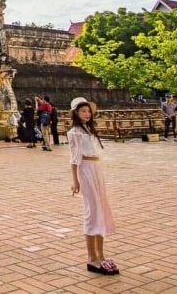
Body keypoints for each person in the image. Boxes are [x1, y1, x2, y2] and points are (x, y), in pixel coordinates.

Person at [68, 97, 118, 276]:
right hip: (86, 170)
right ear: (76, 113)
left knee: (102, 211)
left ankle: (101, 255)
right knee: (92, 211)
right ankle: (91, 258)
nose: (87, 114)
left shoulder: (89, 129)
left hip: (96, 169)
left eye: (88, 111)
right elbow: (74, 158)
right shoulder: (74, 132)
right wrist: (75, 180)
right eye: (83, 111)